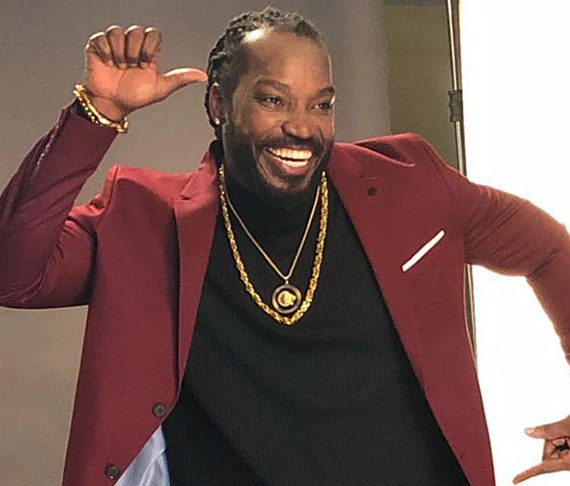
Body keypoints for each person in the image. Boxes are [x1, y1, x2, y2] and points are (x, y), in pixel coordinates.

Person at [1, 6, 570, 486]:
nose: (302, 127)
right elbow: (14, 274)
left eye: (320, 104)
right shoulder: (144, 220)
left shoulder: (409, 185)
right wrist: (97, 115)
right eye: (274, 100)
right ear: (219, 104)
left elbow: (546, 248)